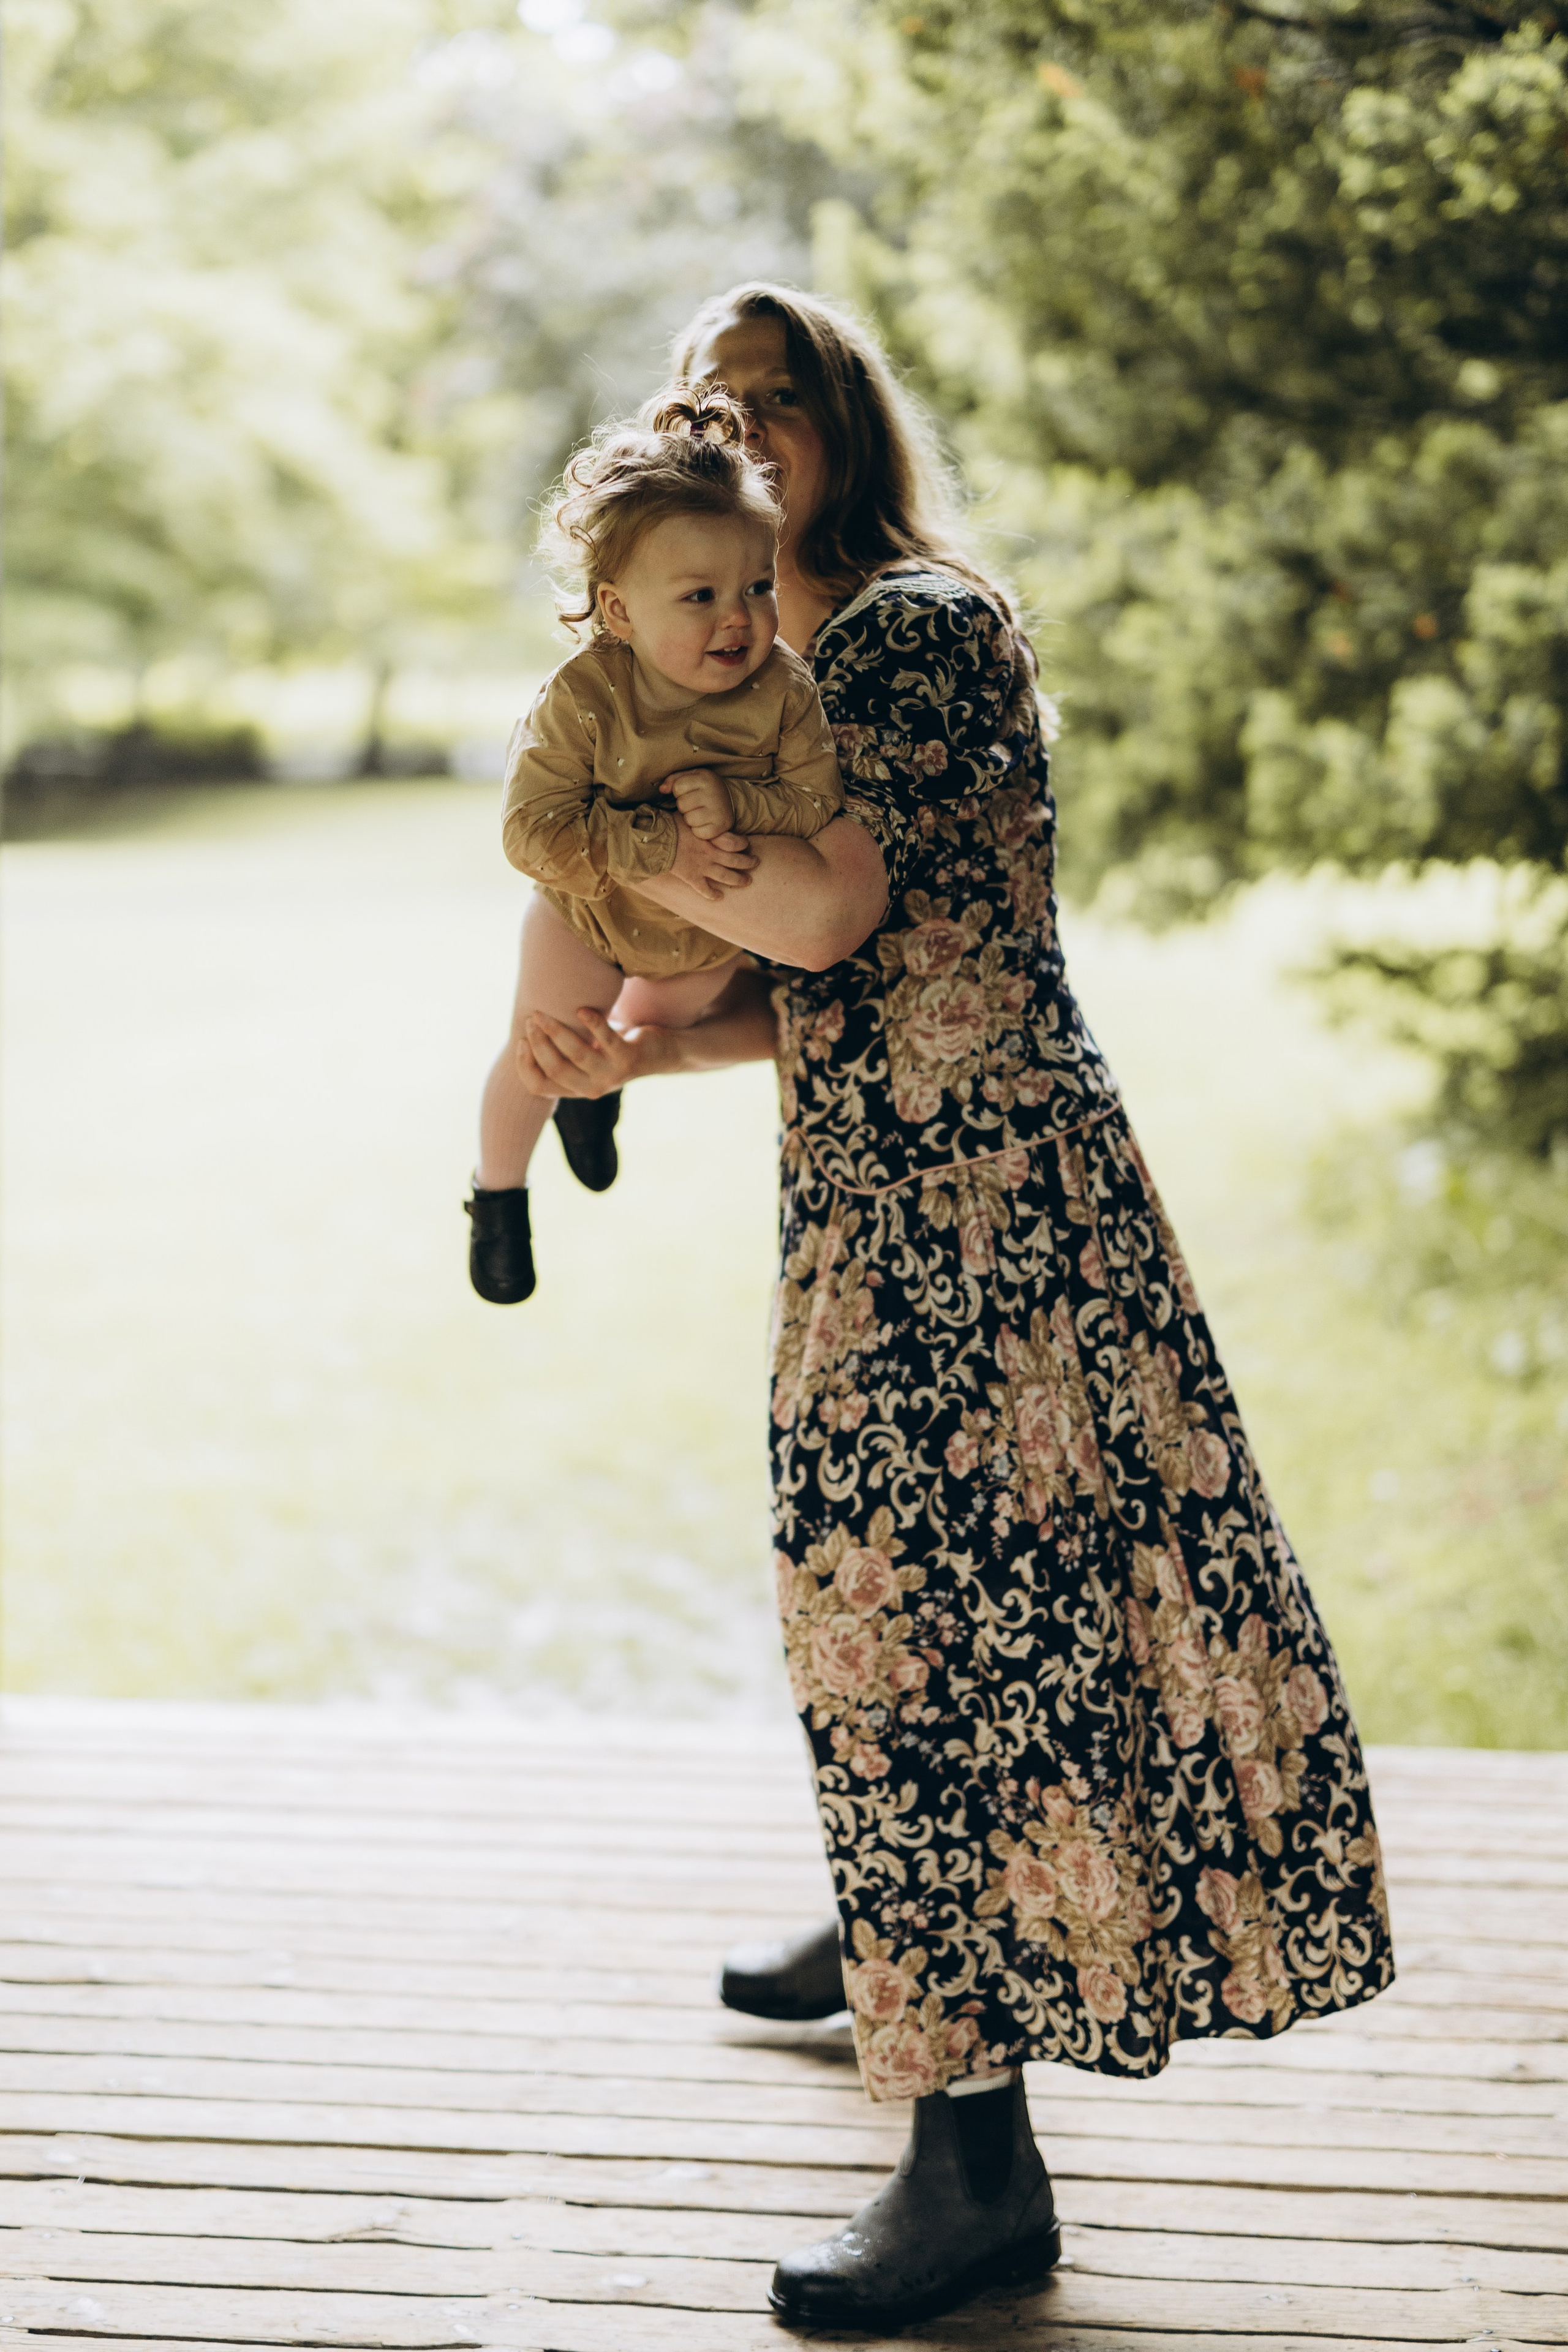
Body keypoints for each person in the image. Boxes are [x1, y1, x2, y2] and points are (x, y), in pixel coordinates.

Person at [513, 284, 1395, 2332]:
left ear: (841, 420)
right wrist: (645, 1047)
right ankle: (904, 1936)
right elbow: (840, 986)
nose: (736, 427)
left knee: (925, 1643)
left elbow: (832, 920)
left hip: (986, 1222)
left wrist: (599, 824)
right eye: (703, 403)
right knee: (907, 1629)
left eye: (772, 398)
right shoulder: (785, 666)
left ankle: (976, 2172)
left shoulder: (909, 633)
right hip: (891, 1195)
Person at [466, 384, 842, 1304]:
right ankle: (498, 1194)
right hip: (587, 911)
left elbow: (814, 800)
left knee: (625, 1043)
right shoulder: (585, 696)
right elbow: (530, 831)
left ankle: (598, 1095)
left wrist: (738, 802)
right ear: (621, 610)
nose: (737, 618)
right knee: (548, 1046)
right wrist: (663, 844)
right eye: (700, 596)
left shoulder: (785, 690)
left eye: (757, 587)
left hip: (698, 941)